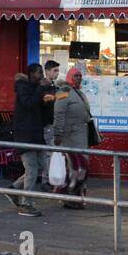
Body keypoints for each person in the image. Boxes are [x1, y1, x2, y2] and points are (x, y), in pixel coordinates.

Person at [50, 66, 96, 209]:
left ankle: (77, 198)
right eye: (75, 76)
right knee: (76, 169)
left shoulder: (80, 93)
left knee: (81, 169)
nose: (78, 78)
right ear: (70, 77)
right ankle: (69, 198)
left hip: (81, 137)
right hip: (69, 137)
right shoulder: (64, 92)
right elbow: (59, 113)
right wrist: (57, 133)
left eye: (80, 76)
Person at [8, 63, 47, 217]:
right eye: (39, 73)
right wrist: (41, 90)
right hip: (25, 134)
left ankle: (14, 188)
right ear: (31, 73)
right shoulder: (23, 87)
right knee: (31, 169)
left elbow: (38, 107)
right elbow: (29, 104)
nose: (42, 75)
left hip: (36, 133)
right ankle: (26, 204)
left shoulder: (36, 88)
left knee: (41, 166)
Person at [41, 60, 61, 146]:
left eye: (58, 71)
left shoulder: (54, 86)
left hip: (53, 123)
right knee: (48, 152)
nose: (57, 73)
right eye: (55, 70)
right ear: (47, 71)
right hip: (46, 124)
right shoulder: (42, 86)